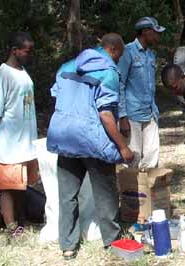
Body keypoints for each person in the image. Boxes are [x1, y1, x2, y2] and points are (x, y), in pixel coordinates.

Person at [46, 33, 134, 260]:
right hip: (94, 140)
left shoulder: (66, 66)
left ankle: (68, 245)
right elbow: (105, 114)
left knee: (67, 194)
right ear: (113, 50)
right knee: (105, 192)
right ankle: (112, 241)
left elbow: (56, 95)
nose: (117, 61)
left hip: (64, 136)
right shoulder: (109, 72)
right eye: (118, 56)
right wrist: (123, 146)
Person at [0, 32, 38, 237]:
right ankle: (11, 227)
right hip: (10, 142)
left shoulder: (23, 71)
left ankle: (21, 220)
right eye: (27, 51)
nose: (30, 55)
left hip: (27, 141)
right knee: (8, 187)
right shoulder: (2, 74)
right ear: (14, 50)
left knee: (22, 184)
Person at [118, 17, 165, 169]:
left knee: (152, 155)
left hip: (150, 112)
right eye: (155, 32)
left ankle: (149, 191)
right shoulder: (127, 52)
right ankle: (132, 191)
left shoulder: (151, 54)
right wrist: (122, 116)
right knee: (133, 156)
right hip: (132, 114)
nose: (158, 36)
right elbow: (120, 84)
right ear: (145, 32)